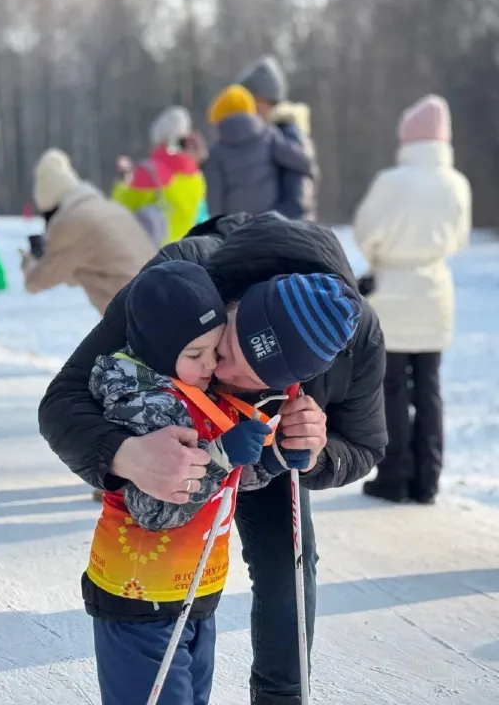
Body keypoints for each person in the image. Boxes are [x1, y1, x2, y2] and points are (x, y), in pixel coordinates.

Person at [39, 211, 387, 705]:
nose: (219, 369)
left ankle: (281, 696)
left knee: (287, 560)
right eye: (222, 347)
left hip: (261, 439)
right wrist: (125, 454)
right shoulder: (176, 285)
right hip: (170, 429)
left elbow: (365, 447)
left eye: (244, 373)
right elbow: (62, 400)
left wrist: (312, 453)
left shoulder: (354, 338)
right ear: (230, 306)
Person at [88, 260, 280, 705]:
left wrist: (270, 458)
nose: (211, 364)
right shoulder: (145, 406)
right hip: (139, 597)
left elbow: (228, 481)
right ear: (157, 352)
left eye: (214, 351)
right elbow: (155, 510)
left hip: (193, 591)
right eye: (195, 355)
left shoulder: (200, 393)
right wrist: (221, 455)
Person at [353, 94, 472, 505]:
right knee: (430, 388)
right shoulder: (457, 183)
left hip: (393, 289)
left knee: (392, 389)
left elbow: (366, 231)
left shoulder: (392, 182)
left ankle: (394, 474)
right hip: (435, 289)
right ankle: (428, 478)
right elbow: (459, 239)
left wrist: (381, 253)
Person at [22, 148, 156, 316]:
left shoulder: (70, 221)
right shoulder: (110, 208)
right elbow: (90, 267)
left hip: (138, 316)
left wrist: (29, 263)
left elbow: (39, 281)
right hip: (163, 299)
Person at [203, 85, 313, 219]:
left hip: (238, 225)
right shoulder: (268, 135)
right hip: (270, 219)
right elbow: (301, 161)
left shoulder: (216, 153)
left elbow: (215, 201)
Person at [235, 55, 319, 221]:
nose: (247, 109)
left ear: (266, 100)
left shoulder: (289, 135)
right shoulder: (262, 134)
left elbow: (297, 202)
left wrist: (256, 227)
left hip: (285, 238)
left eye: (252, 101)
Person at [112, 106, 207, 246]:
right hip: (185, 253)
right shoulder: (197, 177)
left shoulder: (149, 173)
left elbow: (120, 207)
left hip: (153, 255)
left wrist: (123, 179)